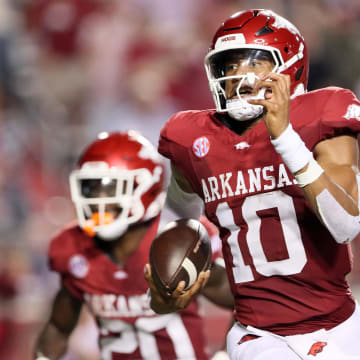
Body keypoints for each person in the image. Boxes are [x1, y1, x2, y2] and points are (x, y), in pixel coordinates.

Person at [145, 8, 360, 360]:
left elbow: (345, 224)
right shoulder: (194, 140)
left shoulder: (322, 115)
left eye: (253, 63)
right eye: (228, 67)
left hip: (340, 327)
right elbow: (178, 213)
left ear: (289, 67)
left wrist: (285, 139)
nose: (238, 77)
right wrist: (175, 271)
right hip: (257, 335)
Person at [33, 131, 233, 360]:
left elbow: (246, 300)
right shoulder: (75, 247)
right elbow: (58, 327)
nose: (99, 202)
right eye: (92, 189)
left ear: (145, 188)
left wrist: (226, 355)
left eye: (110, 190)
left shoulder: (178, 242)